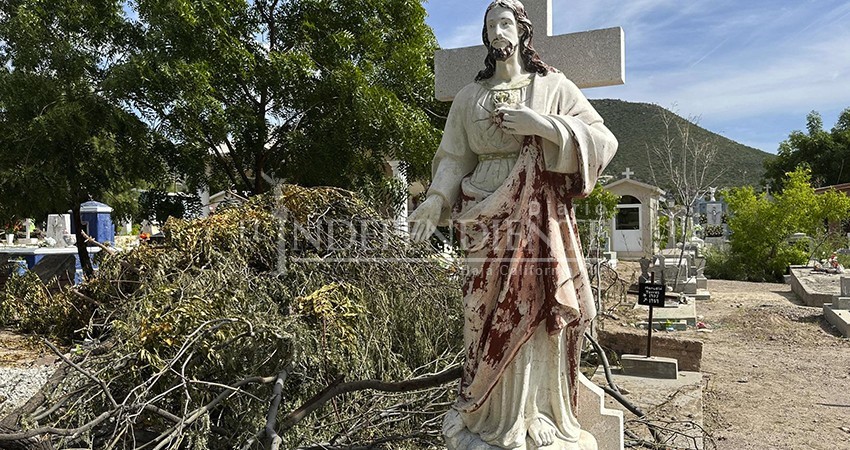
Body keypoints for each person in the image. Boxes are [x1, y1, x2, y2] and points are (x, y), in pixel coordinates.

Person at [408, 1, 618, 448]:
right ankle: (485, 409)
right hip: (481, 214)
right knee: (483, 312)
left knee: (534, 302)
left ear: (522, 31)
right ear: (486, 36)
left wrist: (541, 125)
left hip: (538, 210)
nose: (498, 31)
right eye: (490, 25)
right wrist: (434, 200)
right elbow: (452, 158)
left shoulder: (552, 86)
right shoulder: (470, 96)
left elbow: (603, 139)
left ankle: (536, 410)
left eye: (505, 22)